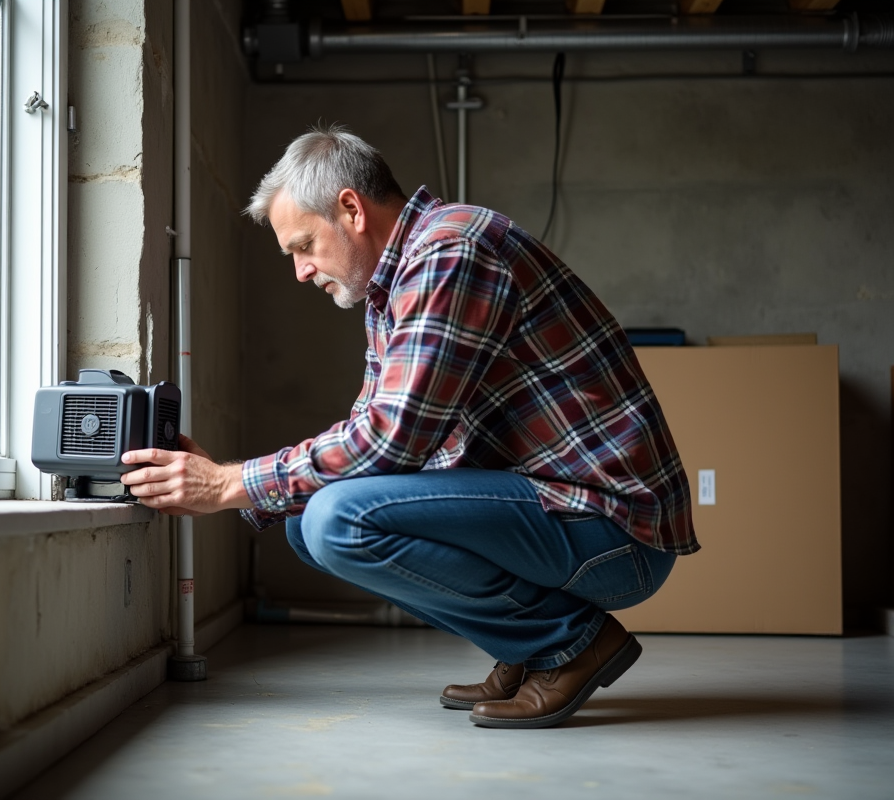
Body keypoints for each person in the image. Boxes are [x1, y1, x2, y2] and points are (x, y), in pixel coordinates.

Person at [120, 123, 698, 729]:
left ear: (350, 209)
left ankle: (570, 642)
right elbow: (381, 439)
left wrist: (228, 484)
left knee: (336, 519)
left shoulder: (451, 252)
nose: (300, 271)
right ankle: (526, 646)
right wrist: (247, 487)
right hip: (558, 513)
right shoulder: (391, 288)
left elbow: (390, 440)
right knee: (306, 520)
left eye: (303, 246)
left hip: (612, 532)